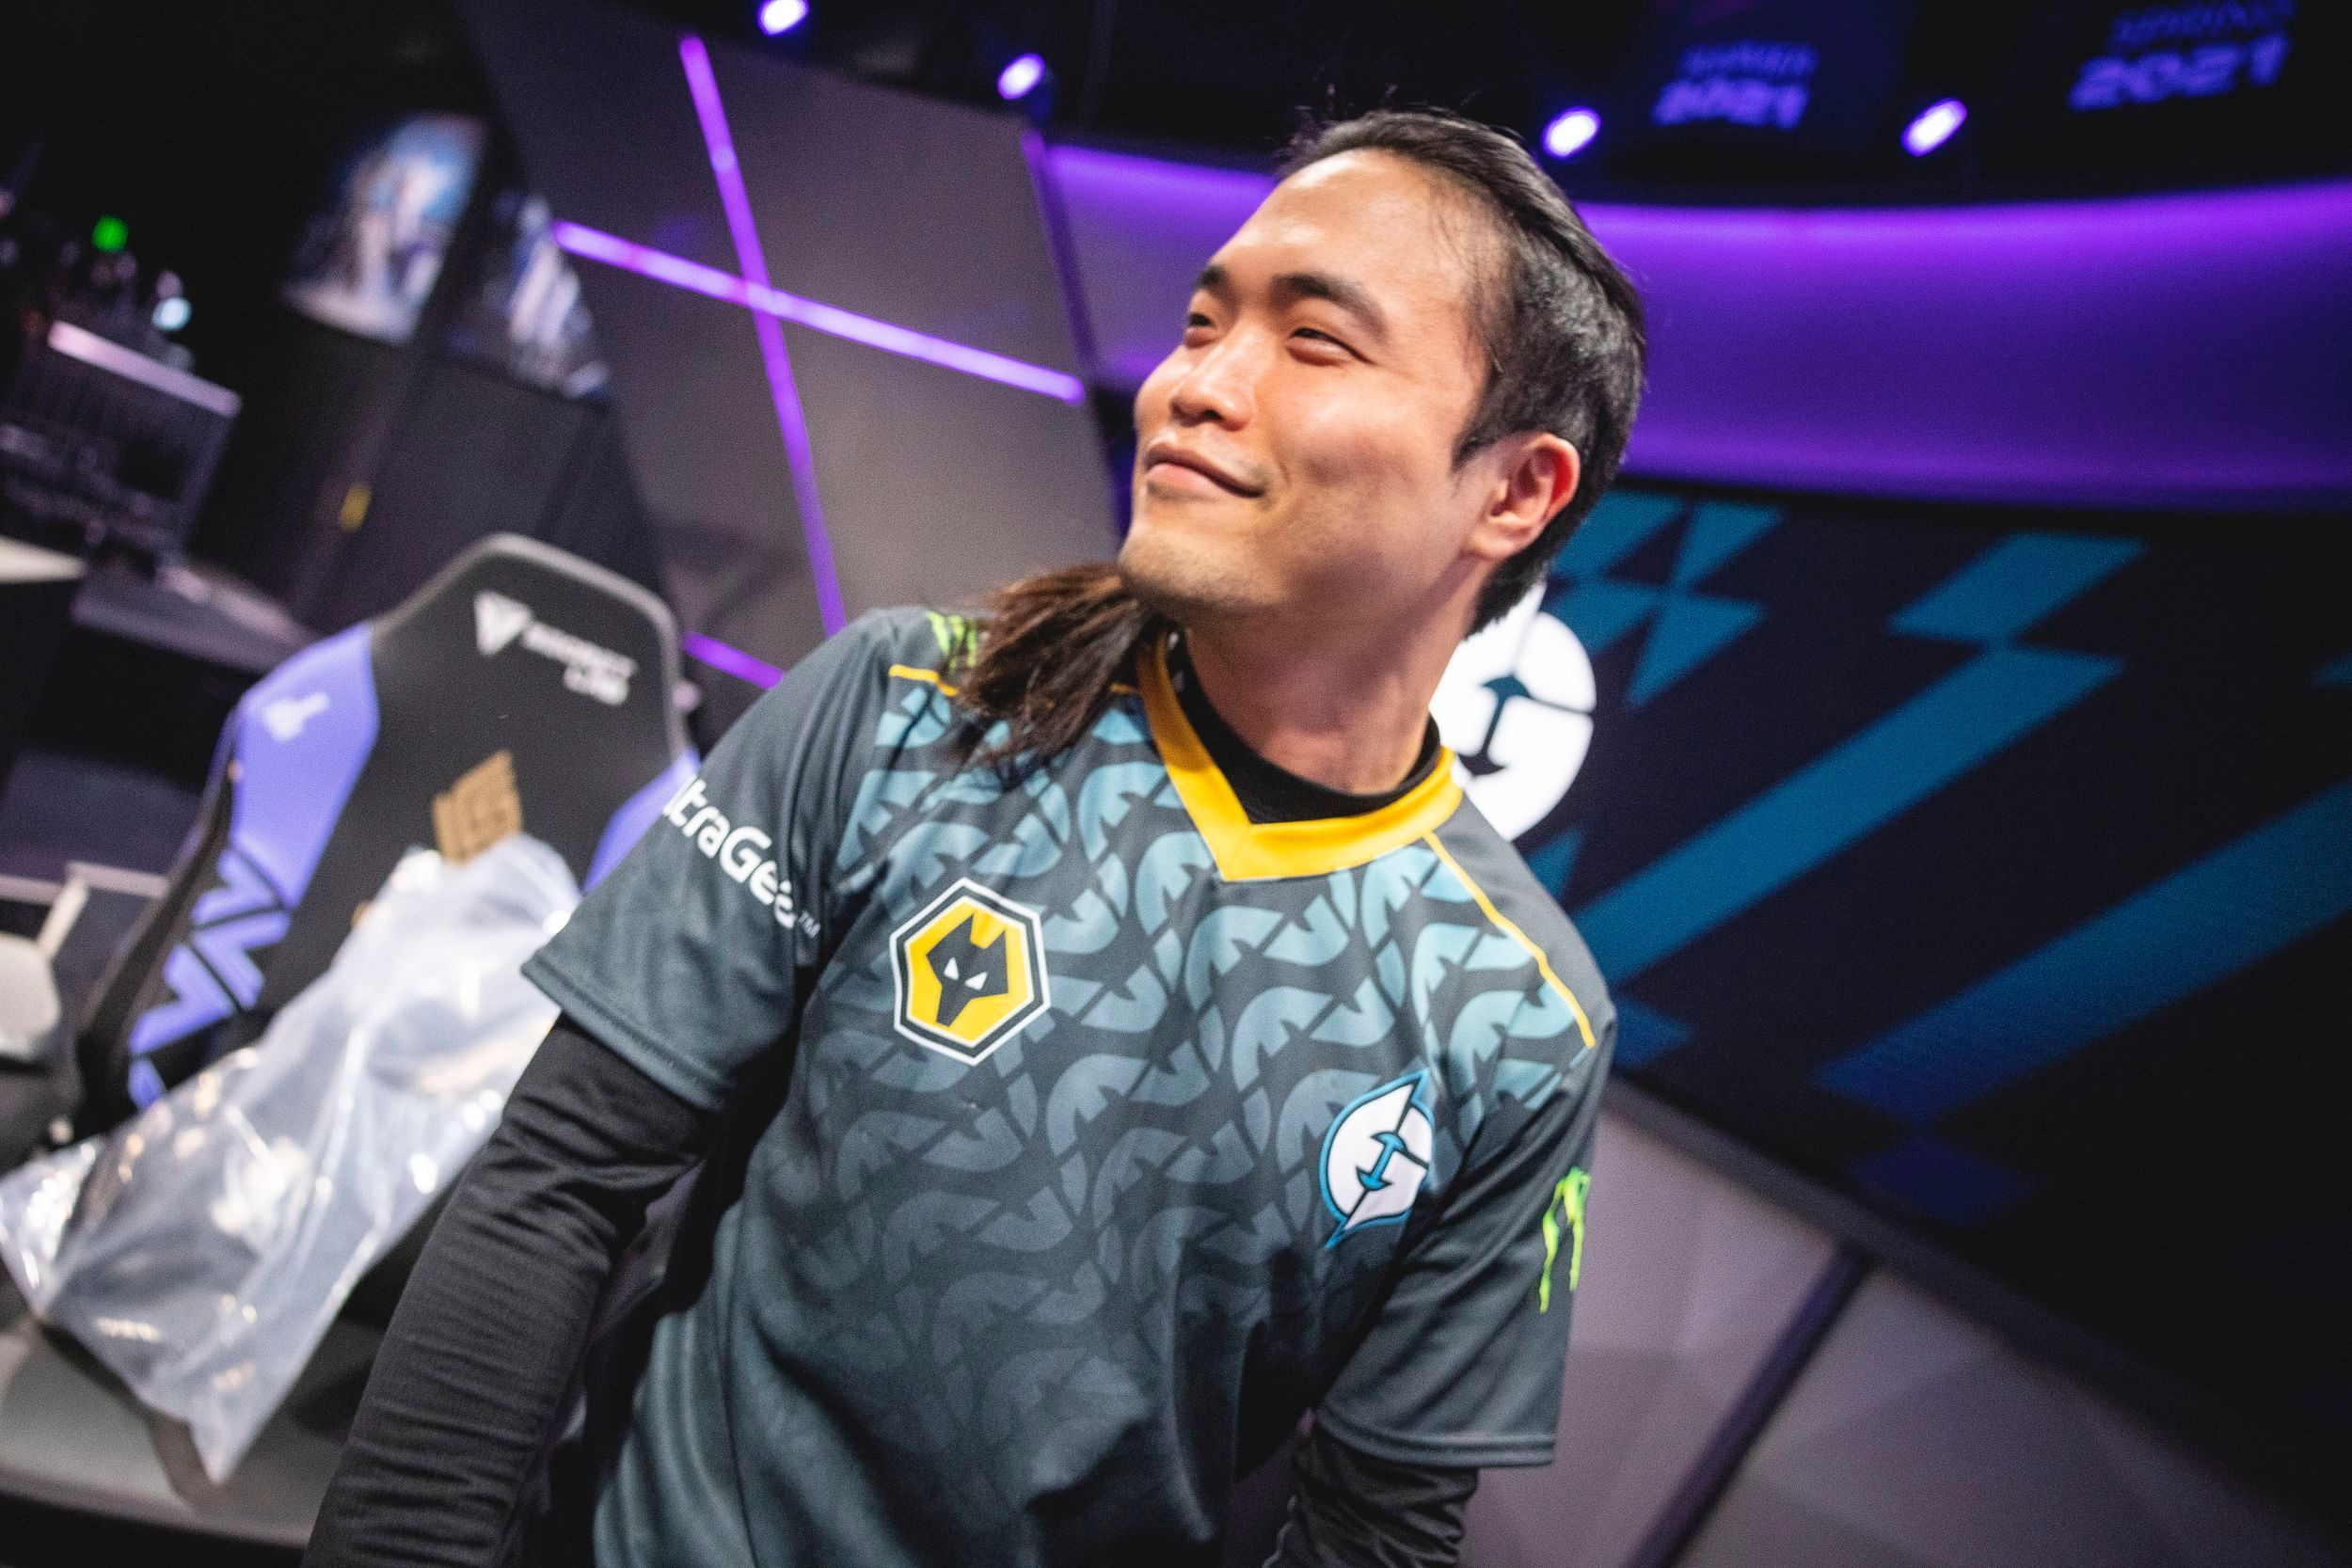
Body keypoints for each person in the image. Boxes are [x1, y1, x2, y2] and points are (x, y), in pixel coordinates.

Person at [306, 104, 1645, 1568]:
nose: (1197, 386)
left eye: (1314, 342)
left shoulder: (1519, 1017)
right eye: (1203, 325)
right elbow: (560, 1181)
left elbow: (1378, 1528)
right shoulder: (904, 706)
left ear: (1515, 490)